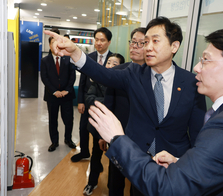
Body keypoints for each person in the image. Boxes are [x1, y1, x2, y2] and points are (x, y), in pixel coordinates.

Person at [87, 25, 223, 196]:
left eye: (206, 60)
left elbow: (168, 188)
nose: (197, 68)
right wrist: (180, 162)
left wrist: (117, 138)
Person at [45, 16, 206, 195]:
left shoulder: (192, 83)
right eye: (146, 42)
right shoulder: (134, 74)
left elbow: (198, 134)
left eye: (155, 41)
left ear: (174, 46)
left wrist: (187, 164)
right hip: (139, 160)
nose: (148, 47)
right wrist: (75, 52)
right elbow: (102, 74)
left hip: (174, 164)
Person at [104, 27, 146, 196]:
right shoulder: (118, 72)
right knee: (115, 179)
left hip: (143, 141)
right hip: (118, 135)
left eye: (140, 43)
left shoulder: (156, 76)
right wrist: (104, 135)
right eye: (132, 42)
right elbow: (108, 104)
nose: (134, 46)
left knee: (139, 183)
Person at [83, 53, 125, 196]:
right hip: (99, 127)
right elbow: (89, 98)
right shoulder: (97, 80)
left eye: (115, 63)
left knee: (116, 162)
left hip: (118, 130)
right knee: (96, 155)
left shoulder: (123, 83)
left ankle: (111, 187)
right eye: (109, 62)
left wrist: (102, 103)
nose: (111, 66)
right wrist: (108, 104)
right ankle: (91, 183)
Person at [71, 27, 113, 162]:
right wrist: (80, 101)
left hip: (104, 103)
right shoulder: (89, 58)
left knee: (98, 134)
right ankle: (84, 152)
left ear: (109, 42)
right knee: (83, 128)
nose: (99, 43)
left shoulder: (114, 59)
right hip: (88, 101)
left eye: (102, 40)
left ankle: (97, 160)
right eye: (96, 40)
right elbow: (82, 81)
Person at [40, 36, 76, 152]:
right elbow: (44, 78)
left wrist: (67, 90)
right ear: (50, 45)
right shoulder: (45, 60)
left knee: (69, 119)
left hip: (67, 95)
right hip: (52, 96)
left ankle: (68, 139)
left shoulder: (68, 58)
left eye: (57, 43)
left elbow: (72, 75)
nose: (55, 45)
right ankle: (54, 142)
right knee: (52, 119)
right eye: (52, 43)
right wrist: (55, 91)